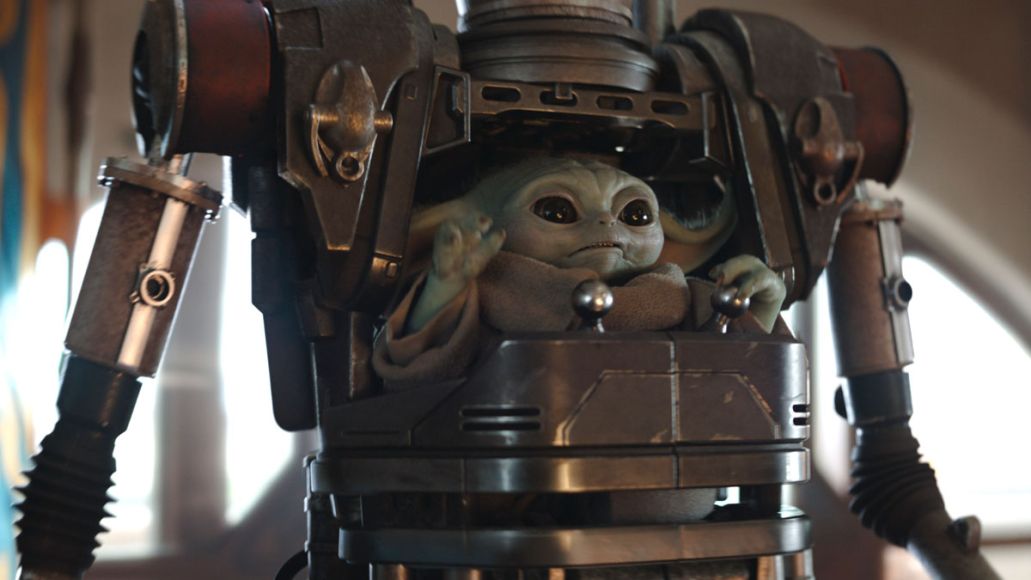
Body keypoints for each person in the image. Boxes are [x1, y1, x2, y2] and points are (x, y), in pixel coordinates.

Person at [373, 156, 786, 391]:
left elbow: (742, 383)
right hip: (514, 490)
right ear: (482, 228)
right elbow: (423, 374)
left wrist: (763, 305)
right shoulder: (488, 296)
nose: (607, 223)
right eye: (557, 210)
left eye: (635, 213)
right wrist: (445, 287)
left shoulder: (686, 299)